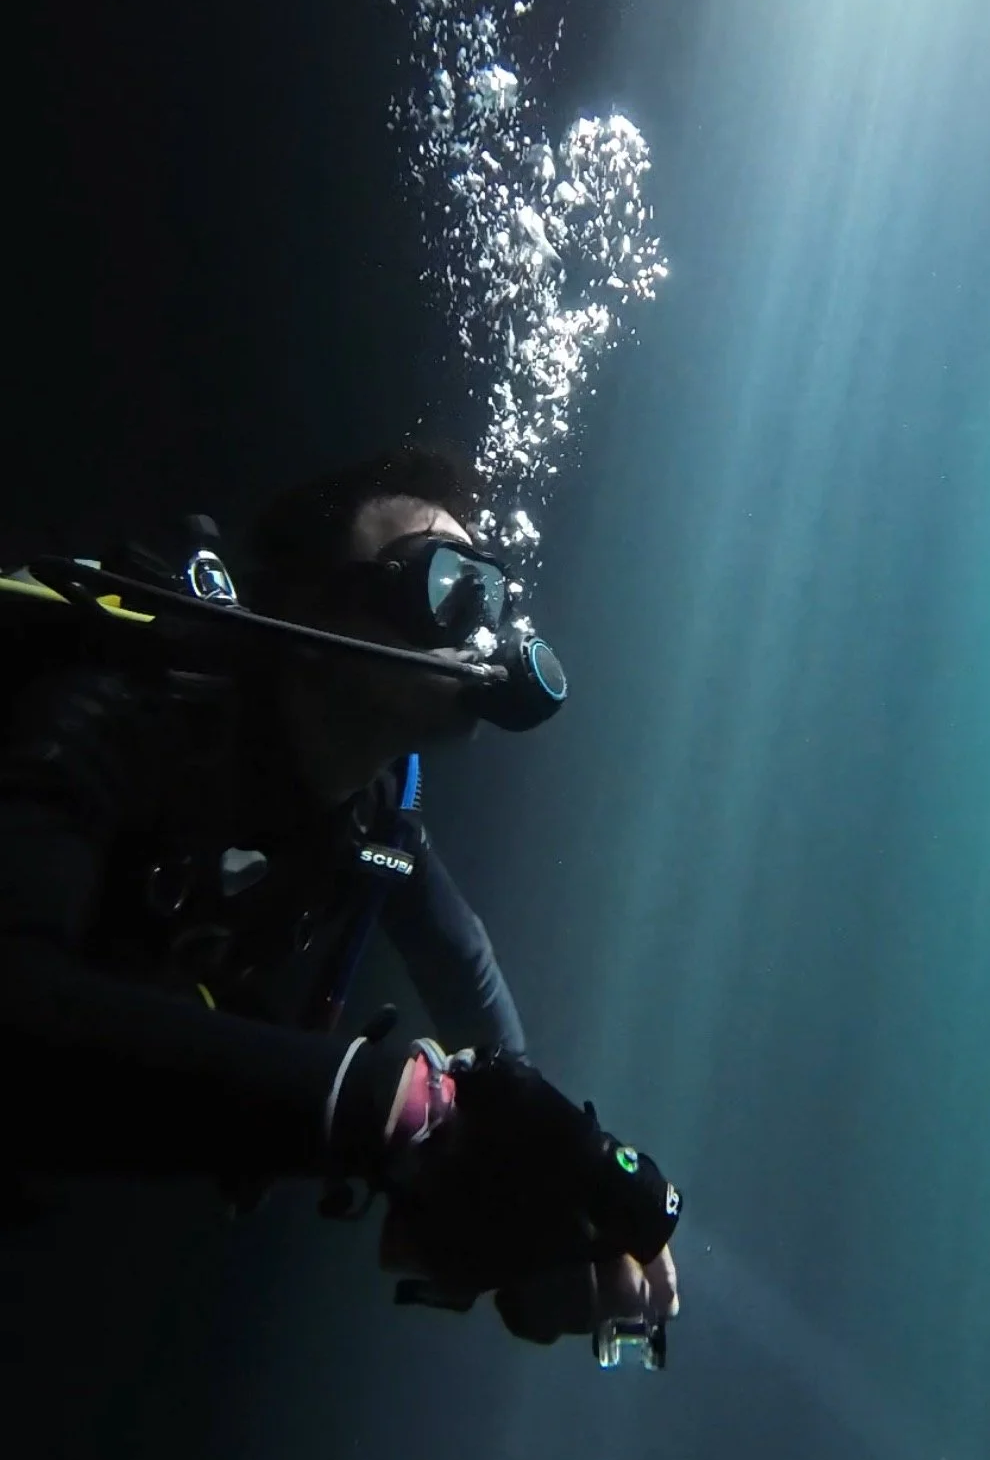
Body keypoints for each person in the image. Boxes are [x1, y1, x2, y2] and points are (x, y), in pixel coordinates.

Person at [0, 444, 680, 1353]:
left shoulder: (371, 826)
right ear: (312, 608)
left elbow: (464, 969)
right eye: (445, 585)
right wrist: (401, 1111)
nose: (480, 632)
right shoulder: (119, 711)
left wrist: (539, 1185)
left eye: (491, 598)